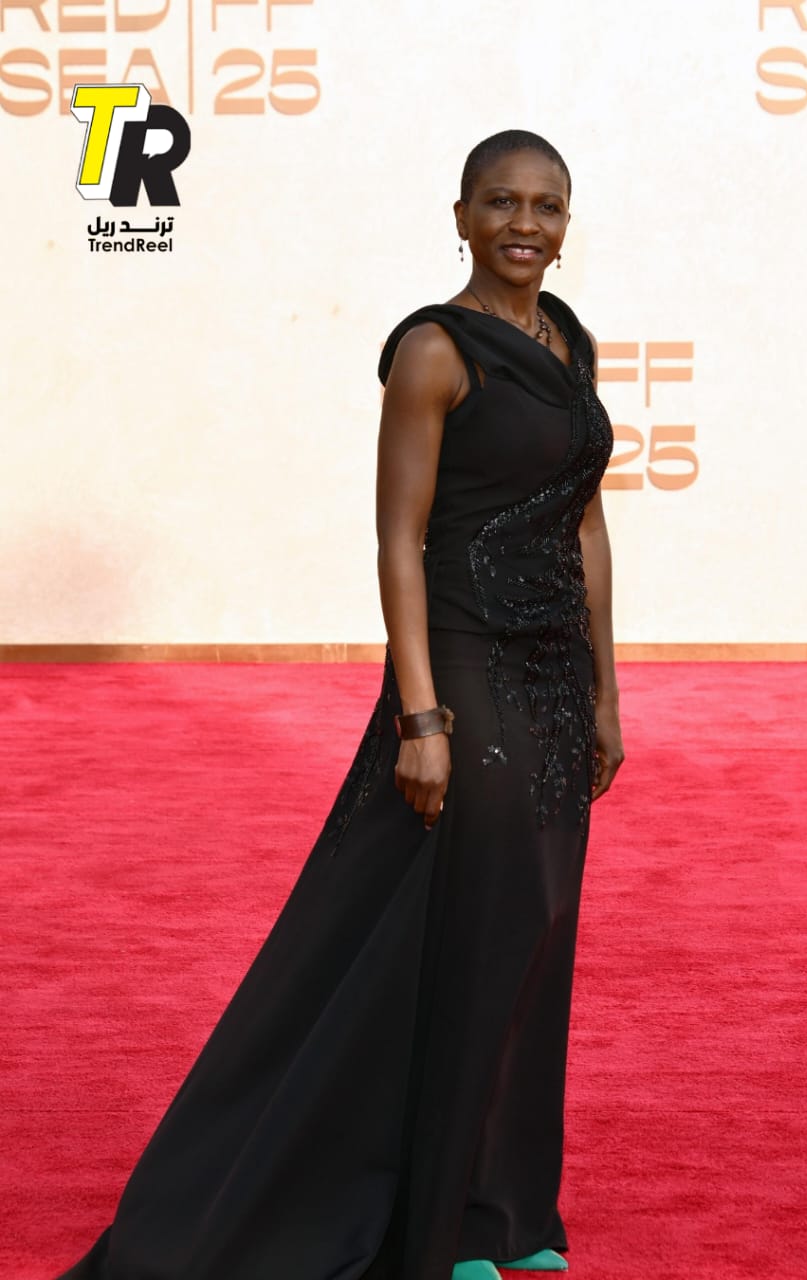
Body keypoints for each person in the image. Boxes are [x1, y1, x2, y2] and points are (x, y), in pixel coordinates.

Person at [56, 128, 624, 1280]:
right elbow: (399, 540)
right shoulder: (432, 350)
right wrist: (420, 716)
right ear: (460, 217)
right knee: (471, 936)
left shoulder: (569, 341)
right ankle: (437, 1228)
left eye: (545, 205)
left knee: (529, 935)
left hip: (556, 675)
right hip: (463, 662)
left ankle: (505, 1210)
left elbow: (585, 518)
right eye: (501, 202)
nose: (524, 223)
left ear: (567, 225)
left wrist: (607, 685)